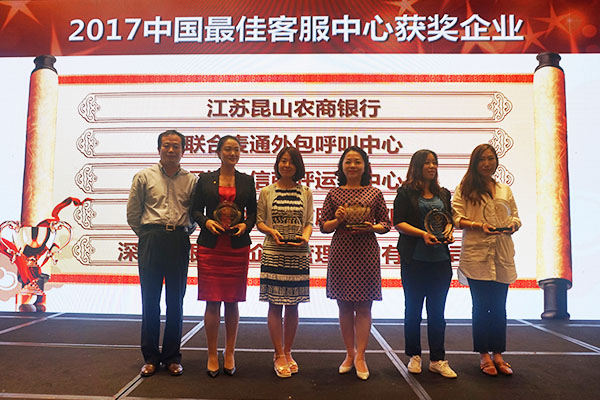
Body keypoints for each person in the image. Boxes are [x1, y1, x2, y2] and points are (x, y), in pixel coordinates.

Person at [126, 129, 197, 377]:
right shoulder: (144, 177)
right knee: (150, 300)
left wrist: (180, 232)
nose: (171, 150)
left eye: (176, 146)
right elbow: (133, 213)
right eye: (166, 145)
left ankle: (172, 357)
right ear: (159, 149)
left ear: (183, 150)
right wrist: (148, 234)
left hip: (178, 240)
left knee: (176, 301)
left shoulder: (192, 180)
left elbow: (194, 216)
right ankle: (150, 358)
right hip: (151, 239)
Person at [319, 146, 390, 381]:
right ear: (341, 166)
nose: (352, 166)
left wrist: (372, 227)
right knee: (344, 306)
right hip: (342, 252)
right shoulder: (333, 194)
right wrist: (337, 219)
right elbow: (323, 227)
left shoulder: (375, 193)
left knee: (365, 307)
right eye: (348, 161)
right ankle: (349, 354)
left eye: (357, 162)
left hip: (366, 252)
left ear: (365, 166)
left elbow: (386, 224)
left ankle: (361, 356)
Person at [452, 144, 521, 376]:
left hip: (501, 254)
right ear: (474, 163)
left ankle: (498, 354)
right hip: (477, 255)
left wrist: (513, 225)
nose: (487, 163)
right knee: (481, 307)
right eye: (482, 159)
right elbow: (456, 218)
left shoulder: (504, 189)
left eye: (491, 158)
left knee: (500, 307)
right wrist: (478, 225)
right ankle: (484, 355)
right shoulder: (465, 188)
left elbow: (515, 216)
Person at [191, 135, 257, 377]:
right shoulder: (205, 179)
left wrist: (245, 226)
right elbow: (195, 210)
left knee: (232, 301)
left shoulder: (247, 180)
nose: (233, 153)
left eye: (236, 149)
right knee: (212, 301)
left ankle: (230, 352)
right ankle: (211, 353)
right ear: (218, 152)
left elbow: (253, 213)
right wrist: (206, 222)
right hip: (211, 246)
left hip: (236, 247)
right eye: (228, 149)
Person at [393, 149, 457, 379]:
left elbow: (448, 221)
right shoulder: (405, 193)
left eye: (434, 162)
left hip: (440, 261)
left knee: (437, 312)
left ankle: (438, 359)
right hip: (414, 260)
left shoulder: (443, 194)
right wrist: (422, 234)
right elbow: (398, 223)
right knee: (413, 310)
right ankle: (414, 355)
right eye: (427, 163)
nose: (431, 166)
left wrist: (448, 234)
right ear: (417, 166)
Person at [256, 147, 313, 378]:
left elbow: (309, 222)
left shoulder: (306, 192)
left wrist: (305, 237)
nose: (286, 165)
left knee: (293, 304)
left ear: (298, 166)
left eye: (291, 161)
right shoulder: (267, 191)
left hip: (298, 254)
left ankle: (288, 351)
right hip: (273, 251)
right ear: (277, 164)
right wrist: (271, 231)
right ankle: (278, 354)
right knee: (274, 303)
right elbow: (260, 221)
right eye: (283, 161)